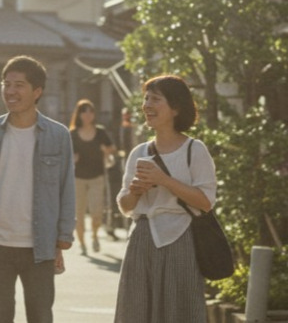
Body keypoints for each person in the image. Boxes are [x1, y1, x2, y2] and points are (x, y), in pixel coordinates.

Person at [0, 55, 76, 323]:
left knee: (40, 315)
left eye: (19, 85)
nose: (10, 91)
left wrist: (63, 236)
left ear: (37, 91)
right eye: (6, 84)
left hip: (39, 244)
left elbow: (66, 188)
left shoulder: (58, 135)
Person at [114, 75, 215, 323]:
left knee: (179, 311)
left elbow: (205, 202)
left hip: (181, 238)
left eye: (156, 99)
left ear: (176, 108)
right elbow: (124, 206)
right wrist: (136, 191)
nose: (147, 105)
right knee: (136, 311)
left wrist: (164, 180)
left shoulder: (195, 150)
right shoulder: (139, 152)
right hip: (142, 239)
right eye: (146, 99)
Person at [68, 99, 116, 254]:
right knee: (79, 214)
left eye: (91, 111)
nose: (88, 115)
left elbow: (112, 148)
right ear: (79, 114)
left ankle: (95, 236)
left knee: (97, 212)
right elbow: (65, 154)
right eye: (84, 111)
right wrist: (72, 158)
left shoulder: (100, 132)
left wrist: (106, 150)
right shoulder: (73, 134)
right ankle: (82, 243)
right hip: (78, 178)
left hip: (97, 177)